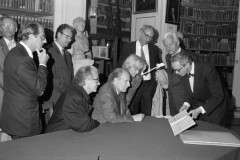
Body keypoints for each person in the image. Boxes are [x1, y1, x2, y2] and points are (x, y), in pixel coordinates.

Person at [0, 21, 49, 139]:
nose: (45, 41)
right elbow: (39, 89)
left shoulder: (15, 52)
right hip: (23, 122)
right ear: (32, 37)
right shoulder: (23, 58)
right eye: (42, 37)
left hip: (15, 118)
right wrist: (43, 65)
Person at [171, 52, 227, 125]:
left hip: (215, 107)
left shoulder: (208, 70)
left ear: (187, 64)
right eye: (174, 70)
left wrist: (199, 110)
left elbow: (218, 96)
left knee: (213, 133)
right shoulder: (181, 72)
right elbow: (190, 91)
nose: (176, 73)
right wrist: (186, 105)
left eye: (178, 70)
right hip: (198, 105)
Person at [117, 25, 161, 116]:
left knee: (147, 112)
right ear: (141, 32)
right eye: (146, 35)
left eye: (151, 37)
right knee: (133, 110)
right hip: (133, 83)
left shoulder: (154, 49)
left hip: (148, 85)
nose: (148, 39)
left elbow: (159, 66)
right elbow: (120, 66)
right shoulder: (128, 47)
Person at [45, 66, 100, 133]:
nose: (99, 83)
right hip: (56, 135)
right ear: (86, 81)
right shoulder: (75, 97)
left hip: (68, 131)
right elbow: (85, 125)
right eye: (96, 80)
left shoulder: (78, 91)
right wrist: (97, 123)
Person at [41, 24, 74, 118]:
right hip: (53, 98)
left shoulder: (68, 55)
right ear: (59, 34)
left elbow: (70, 77)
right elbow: (49, 77)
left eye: (70, 38)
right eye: (67, 36)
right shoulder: (48, 51)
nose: (69, 40)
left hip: (65, 99)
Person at [163, 32, 187, 116]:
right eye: (166, 45)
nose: (168, 48)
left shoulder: (187, 56)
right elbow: (172, 74)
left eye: (171, 44)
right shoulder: (168, 56)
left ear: (177, 43)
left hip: (184, 97)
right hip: (171, 96)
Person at [0, 16, 18, 112]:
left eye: (10, 25)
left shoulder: (22, 46)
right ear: (0, 29)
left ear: (16, 28)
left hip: (21, 96)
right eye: (4, 26)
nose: (7, 28)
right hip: (2, 94)